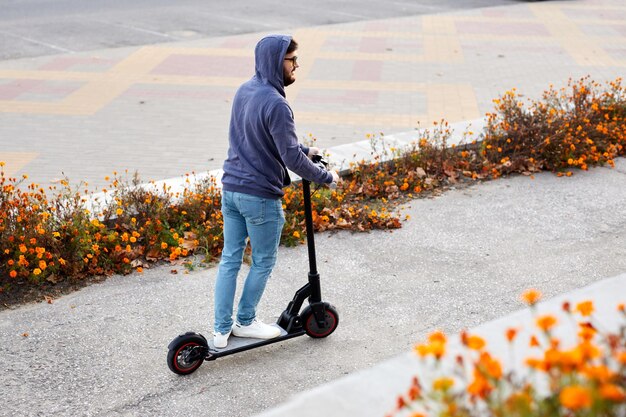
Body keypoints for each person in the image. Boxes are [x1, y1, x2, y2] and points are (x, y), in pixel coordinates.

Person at [213, 35, 339, 348]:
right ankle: (245, 322)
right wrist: (326, 177)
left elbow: (257, 137)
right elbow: (290, 158)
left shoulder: (245, 90)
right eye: (290, 59)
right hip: (259, 197)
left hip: (231, 190)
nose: (296, 65)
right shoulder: (277, 104)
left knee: (230, 259)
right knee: (263, 262)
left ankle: (220, 330)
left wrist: (308, 149)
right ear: (274, 61)